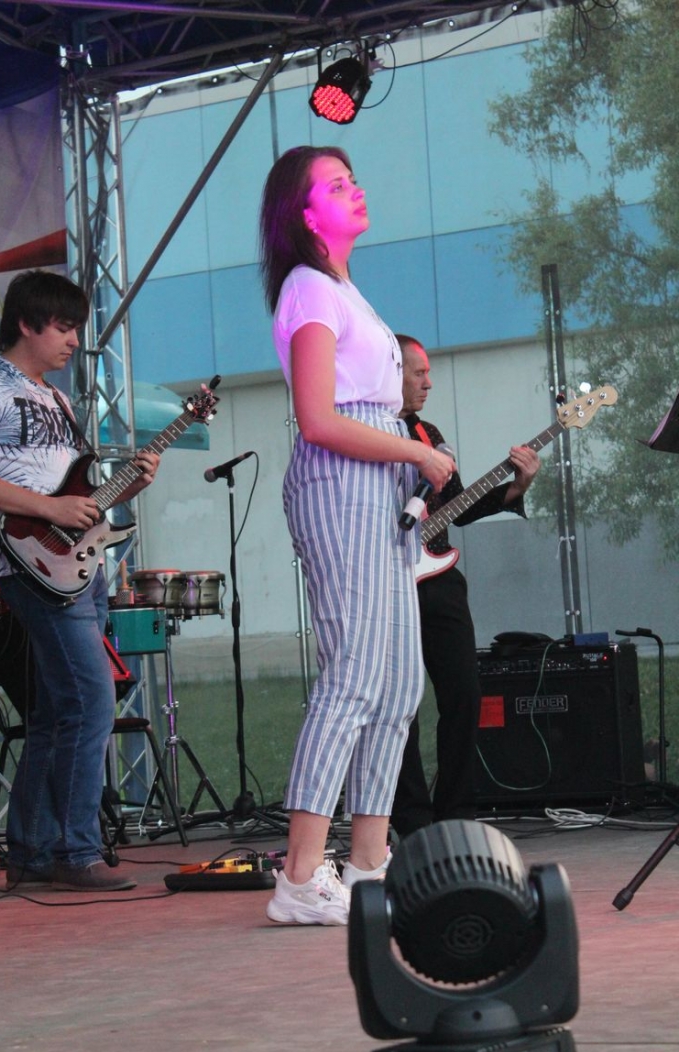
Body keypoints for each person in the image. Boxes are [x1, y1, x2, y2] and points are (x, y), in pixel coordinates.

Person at [259, 147, 455, 925]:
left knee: (399, 682)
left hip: (377, 487)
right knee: (352, 678)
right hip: (339, 484)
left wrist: (407, 459)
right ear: (304, 214)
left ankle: (369, 863)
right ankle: (300, 875)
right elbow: (317, 418)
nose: (355, 190)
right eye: (336, 186)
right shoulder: (307, 288)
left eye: (353, 179)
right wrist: (417, 452)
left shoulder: (344, 289)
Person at [0, 269, 160, 891]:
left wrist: (124, 487)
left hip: (79, 567)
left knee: (58, 711)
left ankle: (34, 852)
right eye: (64, 327)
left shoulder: (59, 402)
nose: (73, 341)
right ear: (25, 322)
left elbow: (75, 493)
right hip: (32, 563)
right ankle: (74, 849)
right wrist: (49, 509)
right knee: (91, 699)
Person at [390, 334, 540, 837]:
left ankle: (455, 814)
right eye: (419, 373)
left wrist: (516, 487)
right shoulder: (368, 435)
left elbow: (457, 506)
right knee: (401, 706)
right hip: (389, 585)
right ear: (392, 373)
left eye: (429, 373)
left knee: (464, 695)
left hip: (439, 582)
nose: (428, 382)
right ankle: (412, 822)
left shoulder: (428, 433)